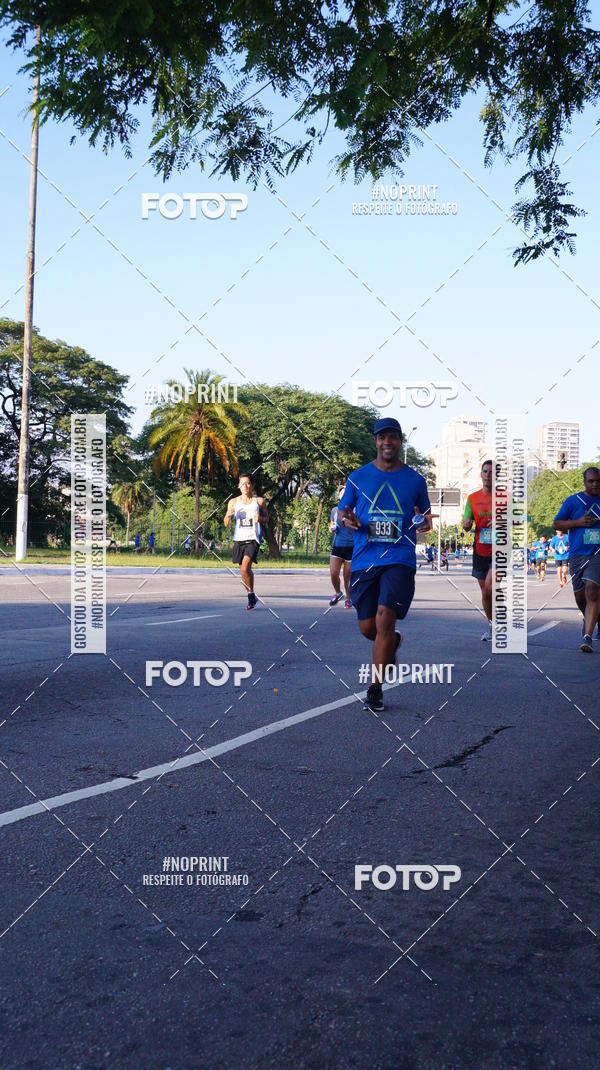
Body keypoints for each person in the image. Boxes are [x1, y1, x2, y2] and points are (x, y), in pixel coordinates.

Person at [338, 417, 432, 712]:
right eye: (382, 437)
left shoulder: (415, 480)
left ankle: (375, 689)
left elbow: (427, 517)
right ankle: (392, 642)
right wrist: (346, 519)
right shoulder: (358, 477)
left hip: (399, 558)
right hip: (365, 558)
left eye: (393, 437)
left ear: (400, 441)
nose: (387, 442)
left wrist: (423, 522)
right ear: (375, 441)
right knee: (369, 627)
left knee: (384, 616)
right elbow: (343, 510)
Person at [554, 467, 600, 652]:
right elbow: (557, 523)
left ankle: (587, 637)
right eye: (591, 481)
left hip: (597, 554)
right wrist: (578, 522)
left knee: (593, 590)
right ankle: (591, 618)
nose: (595, 484)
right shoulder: (573, 501)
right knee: (580, 597)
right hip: (576, 554)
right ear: (585, 482)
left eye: (598, 481)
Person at [224, 474, 268, 610]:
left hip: (253, 539)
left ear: (251, 485)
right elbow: (226, 523)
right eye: (242, 484)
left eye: (248, 483)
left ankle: (250, 596)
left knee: (245, 567)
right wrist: (229, 515)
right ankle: (252, 594)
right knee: (244, 571)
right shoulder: (233, 502)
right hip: (239, 539)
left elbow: (267, 518)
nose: (245, 486)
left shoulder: (259, 501)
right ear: (239, 486)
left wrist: (260, 518)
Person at [462, 459, 493, 641]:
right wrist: (466, 524)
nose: (488, 475)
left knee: (491, 585)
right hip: (480, 548)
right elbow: (467, 523)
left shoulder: (506, 498)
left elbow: (519, 519)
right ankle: (492, 624)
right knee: (485, 592)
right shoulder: (472, 498)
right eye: (485, 471)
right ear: (481, 474)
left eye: (492, 472)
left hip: (500, 549)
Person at [329, 484, 354, 607]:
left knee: (347, 576)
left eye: (346, 493)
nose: (343, 495)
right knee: (333, 573)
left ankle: (349, 598)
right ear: (338, 496)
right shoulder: (334, 510)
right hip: (337, 545)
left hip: (351, 546)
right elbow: (332, 524)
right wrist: (332, 528)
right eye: (341, 493)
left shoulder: (355, 510)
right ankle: (338, 593)